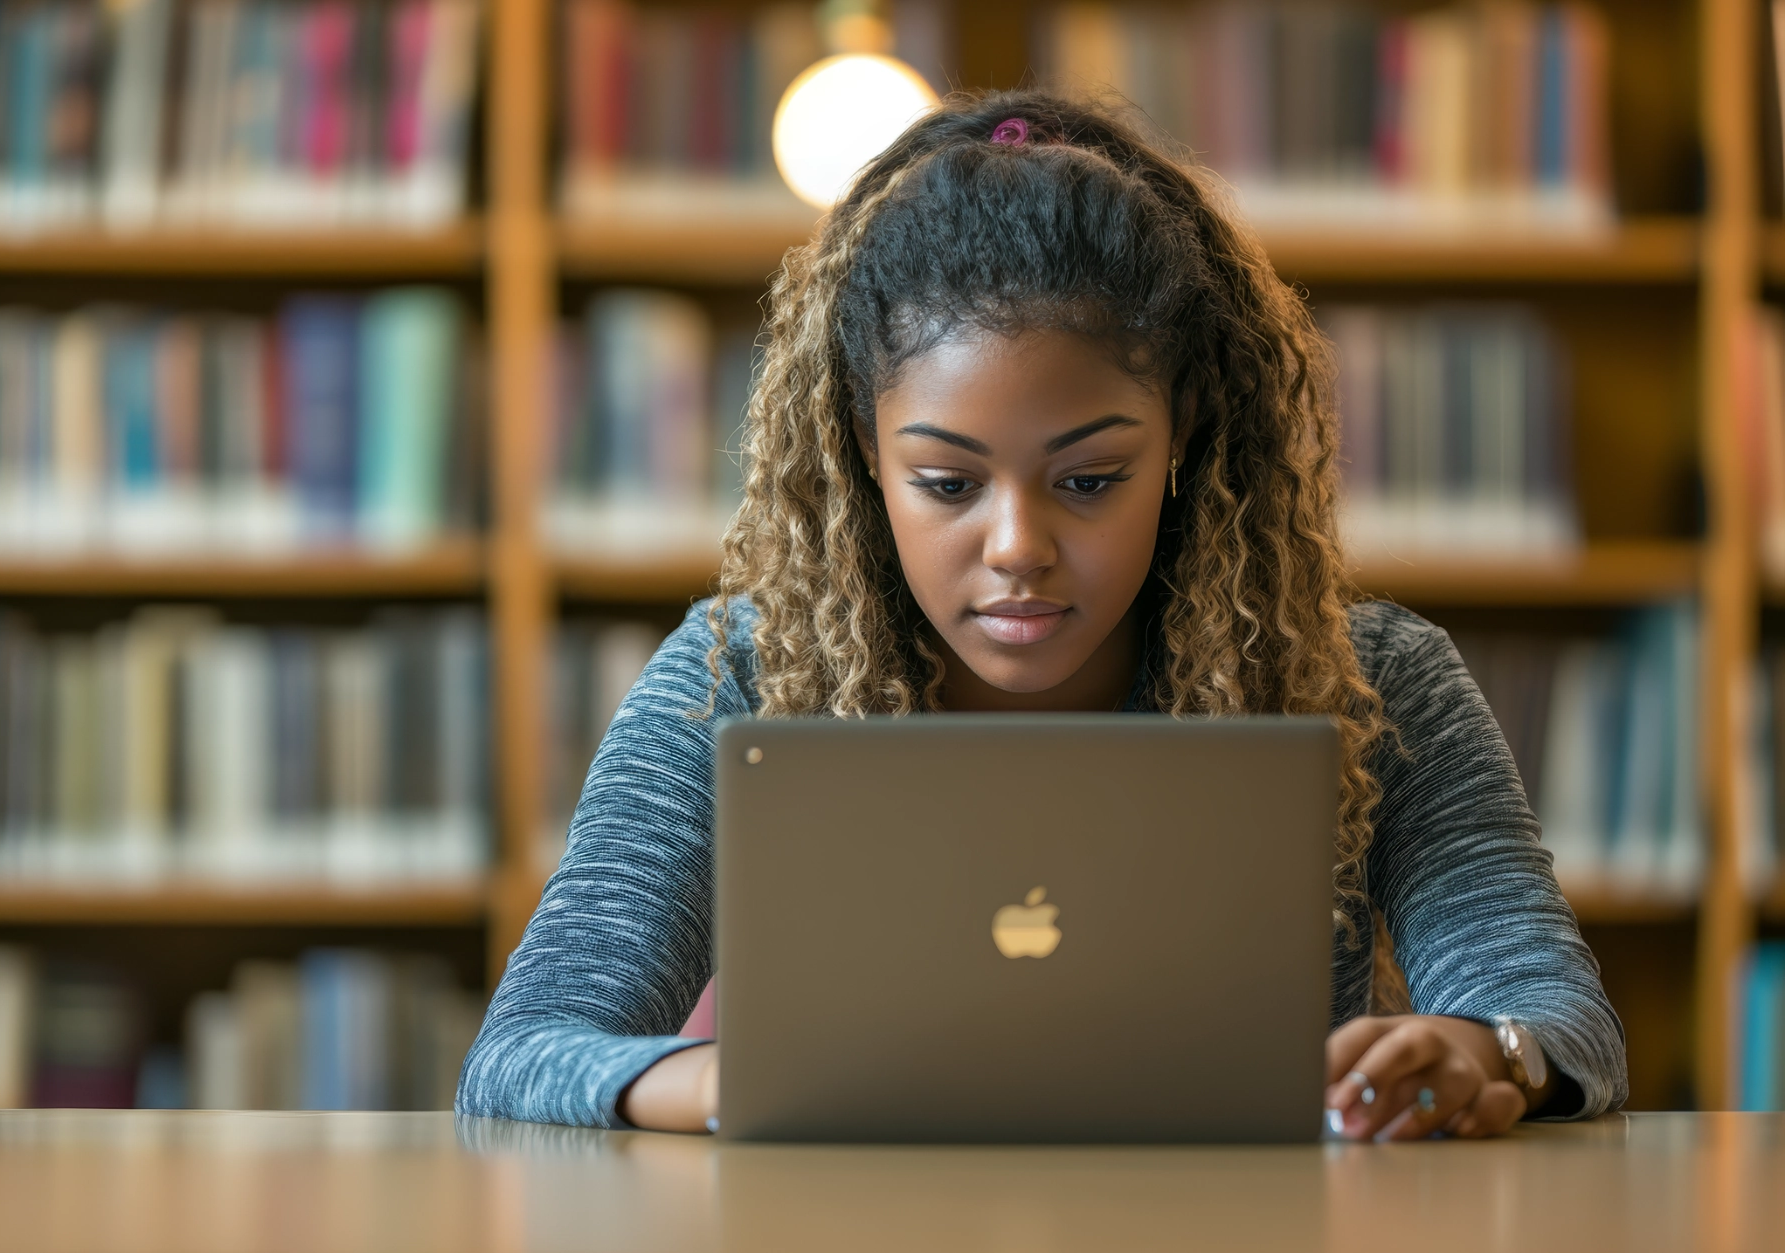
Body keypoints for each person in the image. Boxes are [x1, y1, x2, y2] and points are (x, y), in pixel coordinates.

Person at [457, 88, 1628, 1138]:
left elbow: (1556, 1013)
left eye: (1086, 481)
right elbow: (522, 1053)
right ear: (864, 460)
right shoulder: (737, 677)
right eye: (947, 484)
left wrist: (1487, 1053)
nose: (1016, 548)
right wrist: (732, 1083)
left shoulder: (1373, 678)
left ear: (1182, 450)